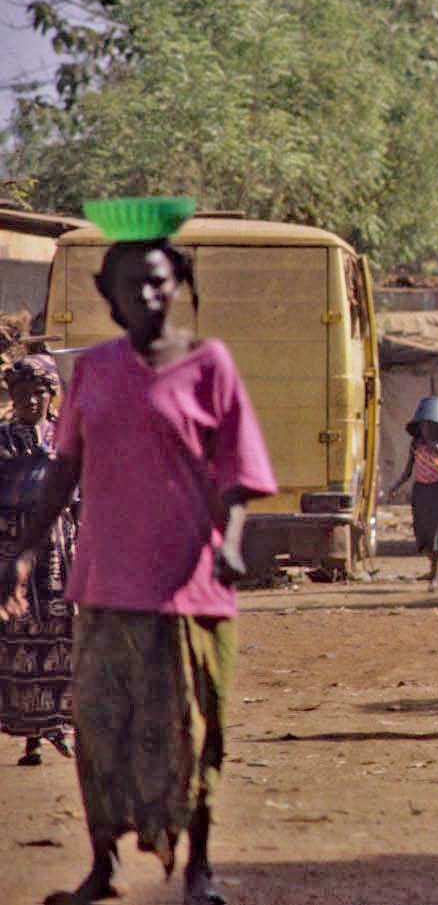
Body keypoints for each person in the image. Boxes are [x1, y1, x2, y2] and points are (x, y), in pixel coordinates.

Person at [4, 237, 277, 905]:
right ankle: (105, 864)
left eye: (159, 282)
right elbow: (64, 468)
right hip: (104, 582)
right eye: (133, 285)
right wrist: (26, 548)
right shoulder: (94, 371)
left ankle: (200, 867)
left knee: (193, 728)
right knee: (100, 727)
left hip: (190, 584)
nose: (147, 295)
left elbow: (237, 475)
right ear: (111, 295)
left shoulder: (209, 365)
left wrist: (232, 539)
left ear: (178, 287)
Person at [0, 355, 76, 767]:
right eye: (22, 394)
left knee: (63, 633)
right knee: (20, 638)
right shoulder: (3, 439)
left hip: (61, 551)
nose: (31, 401)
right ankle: (30, 737)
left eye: (39, 393)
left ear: (51, 395)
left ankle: (59, 725)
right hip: (13, 550)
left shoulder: (65, 435)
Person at [385, 399, 438, 591]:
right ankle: (432, 568)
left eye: (430, 425)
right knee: (423, 531)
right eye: (423, 425)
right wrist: (396, 486)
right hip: (421, 491)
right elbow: (408, 469)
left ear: (437, 426)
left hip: (437, 491)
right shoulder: (415, 443)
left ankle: (436, 574)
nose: (426, 429)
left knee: (435, 533)